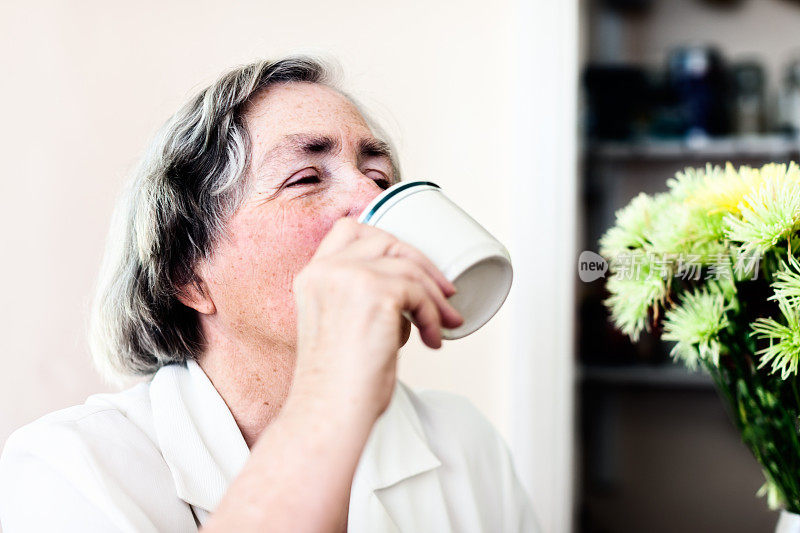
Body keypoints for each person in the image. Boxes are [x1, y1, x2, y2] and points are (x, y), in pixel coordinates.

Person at [0, 56, 537, 532]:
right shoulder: (71, 467)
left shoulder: (464, 443)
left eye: (378, 175)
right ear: (189, 275)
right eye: (305, 178)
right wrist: (329, 395)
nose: (370, 196)